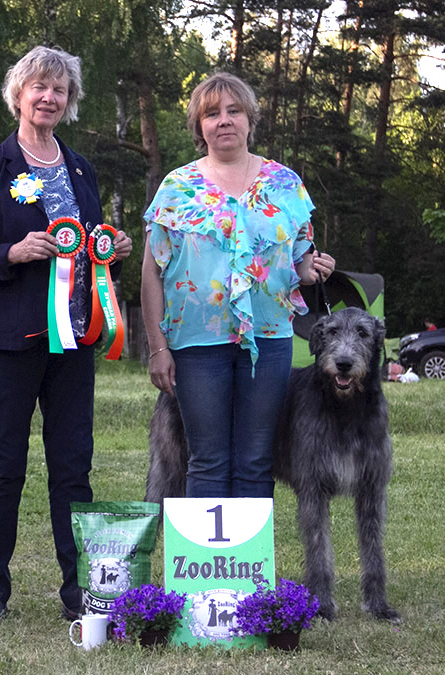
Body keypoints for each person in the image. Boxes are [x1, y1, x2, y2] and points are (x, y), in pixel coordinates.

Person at [0, 46, 133, 626]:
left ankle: (78, 591)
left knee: (73, 468)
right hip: (7, 341)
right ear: (19, 96)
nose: (49, 97)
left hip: (75, 343)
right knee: (5, 465)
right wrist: (12, 252)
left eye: (59, 89)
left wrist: (116, 254)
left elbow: (90, 250)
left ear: (68, 101)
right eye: (39, 87)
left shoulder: (81, 170)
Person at [141, 72, 335, 499]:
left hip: (268, 342)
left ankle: (248, 569)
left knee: (255, 461)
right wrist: (158, 348)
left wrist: (313, 268)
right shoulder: (176, 188)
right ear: (199, 126)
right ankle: (207, 565)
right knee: (207, 460)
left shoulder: (286, 185)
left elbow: (300, 261)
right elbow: (151, 273)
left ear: (250, 120)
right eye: (212, 114)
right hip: (195, 342)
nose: (224, 120)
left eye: (234, 111)